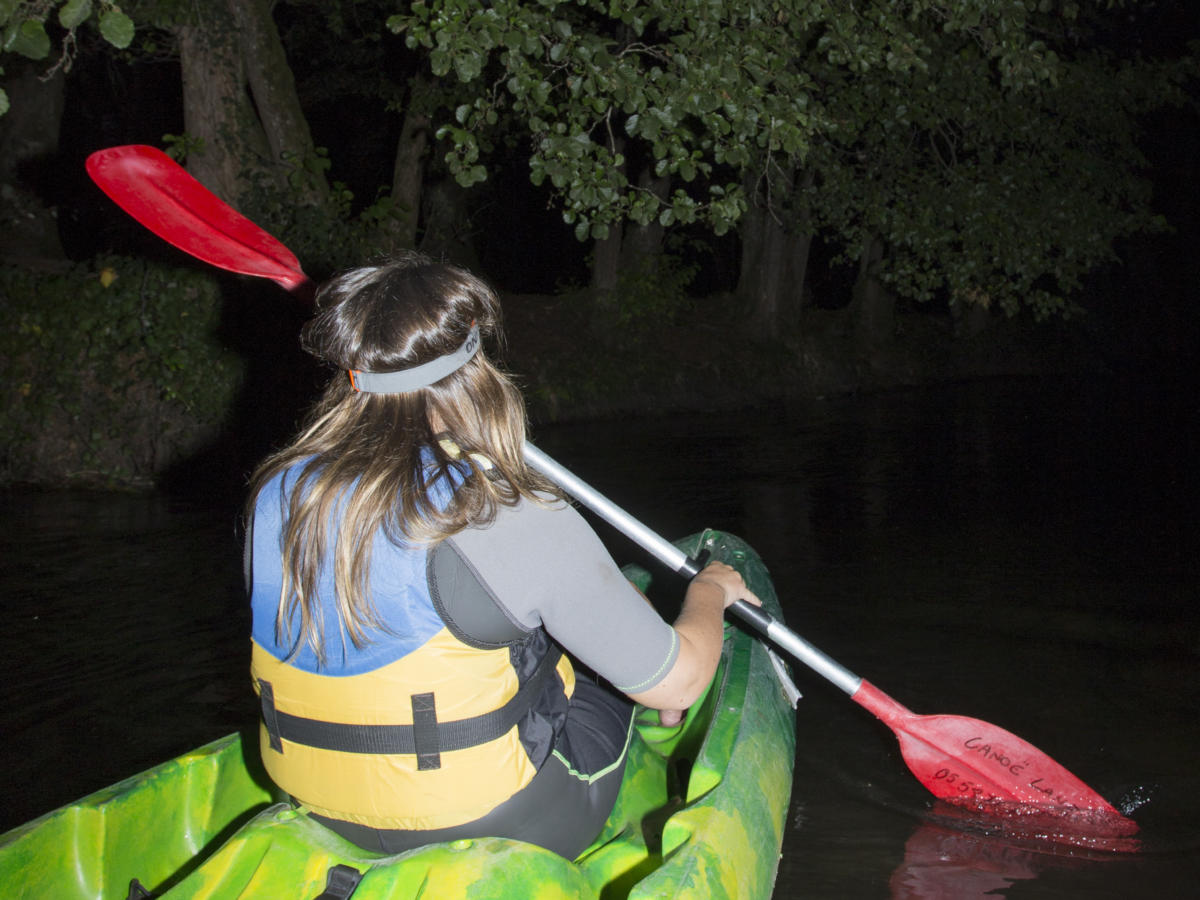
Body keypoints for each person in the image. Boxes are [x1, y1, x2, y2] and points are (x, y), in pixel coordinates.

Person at [244, 252, 759, 859]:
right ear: (476, 371)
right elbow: (683, 683)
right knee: (632, 635)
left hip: (311, 798)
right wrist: (711, 592)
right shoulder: (500, 509)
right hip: (492, 821)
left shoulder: (277, 491)